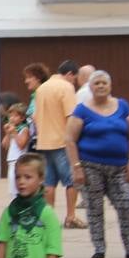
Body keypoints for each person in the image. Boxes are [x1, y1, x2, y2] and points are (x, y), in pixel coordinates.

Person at [66, 70, 129, 258]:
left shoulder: (122, 106)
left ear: (110, 86)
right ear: (91, 87)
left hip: (120, 167)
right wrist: (76, 167)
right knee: (94, 208)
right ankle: (99, 248)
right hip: (90, 166)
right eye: (97, 83)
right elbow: (70, 140)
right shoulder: (81, 110)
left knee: (127, 202)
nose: (101, 86)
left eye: (104, 83)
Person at [32, 60, 83, 229]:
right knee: (71, 181)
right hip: (62, 141)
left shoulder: (41, 88)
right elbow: (71, 116)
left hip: (43, 142)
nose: (74, 82)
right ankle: (70, 216)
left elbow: (34, 117)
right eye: (74, 79)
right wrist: (74, 139)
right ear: (70, 74)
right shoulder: (66, 87)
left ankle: (49, 218)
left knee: (48, 183)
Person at [1, 104, 30, 198]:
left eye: (15, 116)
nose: (12, 118)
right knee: (12, 188)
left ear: (22, 118)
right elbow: (5, 145)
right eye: (10, 116)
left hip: (20, 161)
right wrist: (7, 134)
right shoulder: (12, 130)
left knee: (18, 187)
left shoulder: (24, 129)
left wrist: (14, 133)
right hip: (11, 161)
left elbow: (21, 145)